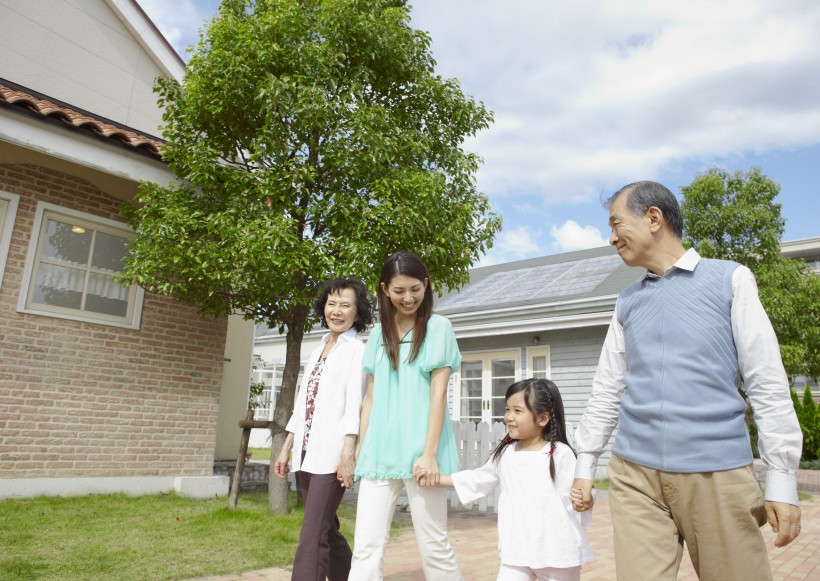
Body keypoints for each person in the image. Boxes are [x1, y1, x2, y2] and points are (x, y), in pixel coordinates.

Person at [571, 181, 803, 581]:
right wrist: (586, 461)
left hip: (716, 474)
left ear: (654, 218)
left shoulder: (730, 279)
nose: (611, 239)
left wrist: (781, 478)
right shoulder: (627, 301)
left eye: (616, 225)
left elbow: (766, 380)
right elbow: (607, 387)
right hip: (635, 477)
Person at [349, 251, 464, 580]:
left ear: (426, 285)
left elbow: (438, 394)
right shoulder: (376, 335)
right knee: (366, 546)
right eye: (399, 291)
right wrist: (360, 446)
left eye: (415, 288)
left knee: (434, 545)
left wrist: (429, 454)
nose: (408, 297)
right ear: (385, 289)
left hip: (422, 455)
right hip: (379, 453)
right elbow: (370, 396)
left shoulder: (439, 328)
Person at [416, 378, 594, 581]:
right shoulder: (506, 453)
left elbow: (579, 493)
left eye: (517, 411)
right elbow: (480, 478)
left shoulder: (560, 454)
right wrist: (437, 479)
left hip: (556, 550)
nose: (508, 417)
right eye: (507, 409)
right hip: (517, 548)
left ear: (543, 418)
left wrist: (583, 500)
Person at [273, 278, 373, 581]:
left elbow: (354, 404)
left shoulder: (356, 350)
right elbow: (303, 402)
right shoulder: (318, 349)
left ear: (358, 313)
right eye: (332, 303)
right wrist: (287, 447)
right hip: (306, 452)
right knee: (325, 526)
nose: (337, 311)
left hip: (332, 455)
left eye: (346, 305)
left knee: (313, 533)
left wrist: (348, 453)